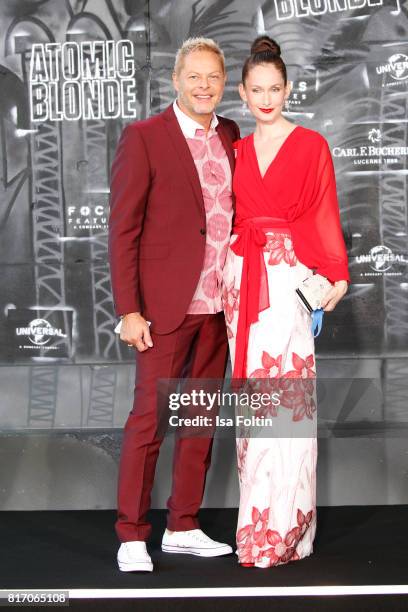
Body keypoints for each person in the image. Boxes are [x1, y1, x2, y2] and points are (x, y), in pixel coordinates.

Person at [108, 37, 240, 572]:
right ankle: (132, 535)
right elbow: (123, 231)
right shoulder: (144, 138)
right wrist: (129, 309)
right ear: (176, 81)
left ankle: (183, 525)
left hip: (219, 304)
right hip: (162, 308)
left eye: (213, 77)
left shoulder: (231, 134)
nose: (204, 85)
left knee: (201, 417)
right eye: (195, 77)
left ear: (223, 82)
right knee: (149, 420)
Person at [221, 36, 349, 568]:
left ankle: (286, 533)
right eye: (257, 90)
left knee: (286, 404)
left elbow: (323, 216)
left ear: (289, 89)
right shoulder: (237, 151)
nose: (267, 98)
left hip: (288, 282)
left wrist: (335, 277)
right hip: (241, 281)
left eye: (275, 88)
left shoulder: (311, 145)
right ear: (244, 94)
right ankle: (256, 533)